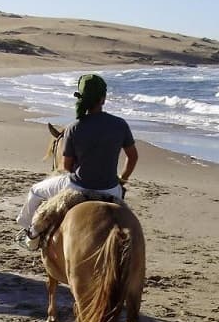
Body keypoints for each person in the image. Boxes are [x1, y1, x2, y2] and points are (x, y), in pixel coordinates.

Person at [15, 74, 139, 250]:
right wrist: (122, 178)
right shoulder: (120, 124)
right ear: (103, 99)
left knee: (35, 191)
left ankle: (31, 236)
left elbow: (66, 167)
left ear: (81, 98)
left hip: (78, 188)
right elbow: (132, 157)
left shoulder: (75, 127)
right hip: (112, 189)